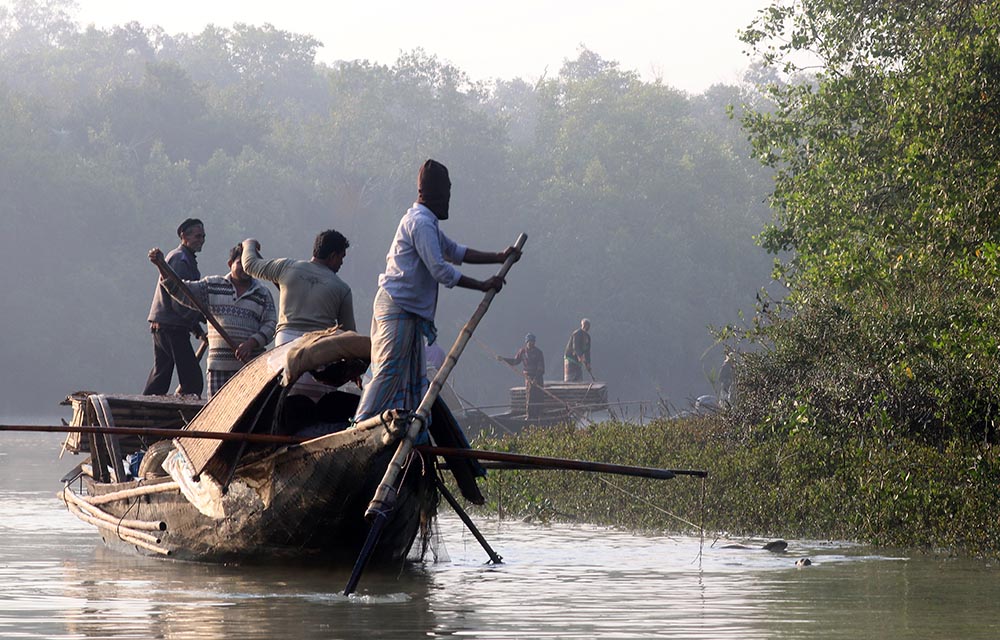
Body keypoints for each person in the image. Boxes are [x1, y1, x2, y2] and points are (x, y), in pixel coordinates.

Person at [353, 158, 519, 422]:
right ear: (435, 194)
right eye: (447, 194)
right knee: (388, 369)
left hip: (408, 312)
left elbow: (455, 251)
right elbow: (440, 270)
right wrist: (482, 285)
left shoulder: (428, 223)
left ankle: (407, 429)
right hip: (397, 307)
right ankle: (361, 427)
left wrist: (499, 257)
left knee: (413, 376)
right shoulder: (419, 223)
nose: (448, 201)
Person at [148, 243, 277, 399]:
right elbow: (182, 291)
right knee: (218, 415)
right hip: (218, 369)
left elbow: (270, 325)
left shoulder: (263, 293)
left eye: (249, 265)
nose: (245, 268)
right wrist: (161, 266)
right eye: (240, 264)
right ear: (230, 264)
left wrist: (252, 343)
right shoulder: (213, 285)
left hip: (249, 367)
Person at [240, 229, 355, 346]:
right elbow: (349, 334)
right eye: (341, 257)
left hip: (285, 339)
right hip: (319, 343)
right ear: (333, 256)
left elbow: (250, 265)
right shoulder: (342, 289)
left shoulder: (286, 267)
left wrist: (249, 244)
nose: (341, 262)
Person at [143, 218, 206, 397]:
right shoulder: (180, 259)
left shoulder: (187, 260)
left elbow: (187, 299)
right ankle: (180, 412)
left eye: (203, 236)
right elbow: (180, 300)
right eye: (197, 236)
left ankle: (147, 407)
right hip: (171, 326)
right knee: (192, 379)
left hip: (165, 325)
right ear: (183, 236)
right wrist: (199, 322)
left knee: (161, 374)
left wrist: (198, 330)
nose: (201, 240)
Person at [498, 333, 545, 418]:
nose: (531, 344)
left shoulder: (538, 353)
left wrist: (536, 379)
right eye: (529, 342)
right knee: (530, 396)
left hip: (537, 377)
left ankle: (539, 415)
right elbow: (515, 361)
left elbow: (541, 368)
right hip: (528, 377)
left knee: (539, 396)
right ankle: (529, 416)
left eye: (533, 342)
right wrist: (503, 359)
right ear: (526, 342)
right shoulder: (522, 352)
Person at [563, 318, 592, 382]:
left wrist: (588, 363)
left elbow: (587, 352)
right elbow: (575, 347)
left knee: (578, 378)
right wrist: (580, 356)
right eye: (585, 325)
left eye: (587, 325)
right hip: (570, 358)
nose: (586, 327)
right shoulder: (577, 333)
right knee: (570, 378)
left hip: (578, 362)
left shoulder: (588, 338)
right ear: (582, 325)